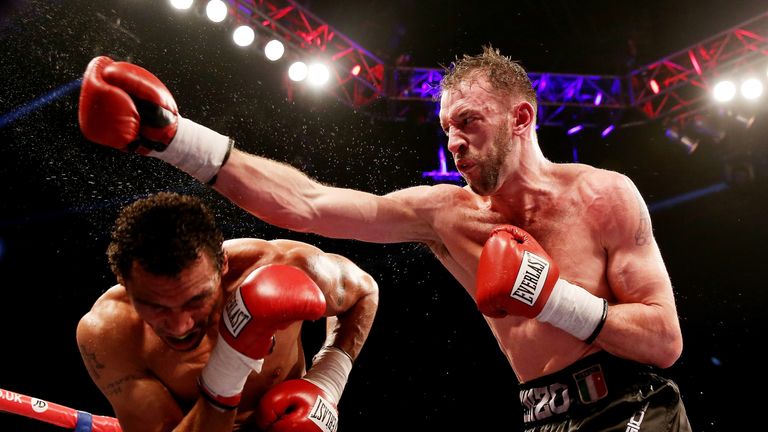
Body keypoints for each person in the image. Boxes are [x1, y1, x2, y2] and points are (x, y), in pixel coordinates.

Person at [78, 46, 691, 430]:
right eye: (446, 127)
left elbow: (664, 342)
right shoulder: (443, 215)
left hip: (631, 406)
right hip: (540, 414)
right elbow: (306, 204)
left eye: (469, 124)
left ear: (521, 118)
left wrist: (555, 298)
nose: (453, 143)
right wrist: (178, 140)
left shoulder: (603, 196)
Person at [76, 192, 379, 432]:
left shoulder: (284, 266)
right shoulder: (110, 332)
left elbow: (365, 291)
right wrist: (230, 364)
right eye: (154, 307)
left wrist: (327, 382)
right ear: (125, 285)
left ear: (223, 265)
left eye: (196, 300)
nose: (180, 326)